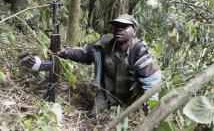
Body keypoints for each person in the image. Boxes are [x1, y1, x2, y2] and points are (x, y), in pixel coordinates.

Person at [20, 14, 162, 114]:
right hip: (105, 96)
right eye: (116, 26)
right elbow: (85, 53)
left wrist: (150, 111)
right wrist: (65, 52)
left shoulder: (138, 51)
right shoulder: (104, 42)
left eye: (125, 26)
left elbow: (151, 86)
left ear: (134, 31)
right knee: (94, 118)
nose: (119, 29)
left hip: (129, 101)